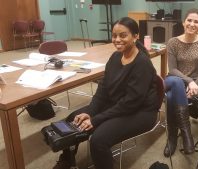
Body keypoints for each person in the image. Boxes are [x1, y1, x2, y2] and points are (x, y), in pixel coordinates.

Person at [53, 17, 159, 169]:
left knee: (99, 140)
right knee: (73, 118)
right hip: (119, 104)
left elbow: (130, 103)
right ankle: (67, 159)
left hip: (141, 111)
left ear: (136, 36)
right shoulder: (115, 57)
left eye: (123, 35)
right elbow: (103, 89)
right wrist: (90, 111)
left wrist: (96, 120)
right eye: (114, 35)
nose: (117, 39)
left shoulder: (142, 63)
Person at [163, 8, 198, 157]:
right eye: (189, 20)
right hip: (174, 79)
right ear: (184, 22)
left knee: (171, 97)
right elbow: (172, 69)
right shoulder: (172, 42)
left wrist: (195, 84)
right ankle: (186, 134)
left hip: (196, 84)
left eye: (195, 21)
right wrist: (190, 81)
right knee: (177, 84)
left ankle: (172, 137)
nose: (192, 24)